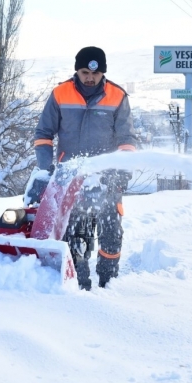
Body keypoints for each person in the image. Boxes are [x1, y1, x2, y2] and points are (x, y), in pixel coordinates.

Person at [34, 46, 137, 290]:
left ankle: (107, 280)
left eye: (96, 73)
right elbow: (43, 134)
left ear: (103, 73)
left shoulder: (117, 96)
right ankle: (79, 281)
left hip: (107, 176)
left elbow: (127, 139)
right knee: (69, 230)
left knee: (111, 230)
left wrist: (122, 172)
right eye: (84, 72)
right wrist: (45, 166)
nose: (90, 78)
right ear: (77, 71)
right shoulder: (60, 93)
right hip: (70, 175)